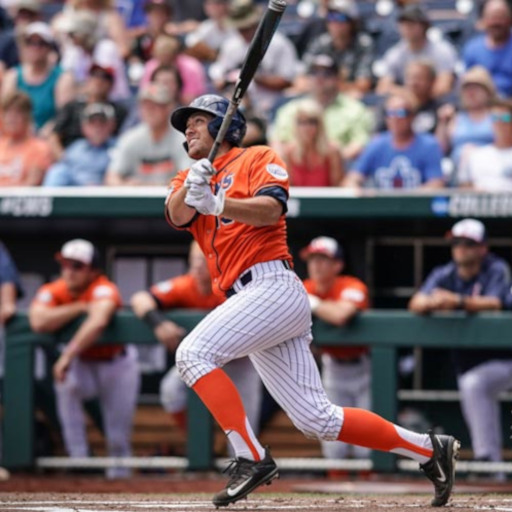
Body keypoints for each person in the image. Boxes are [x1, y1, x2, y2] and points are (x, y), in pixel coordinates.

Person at [165, 93, 460, 508]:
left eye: (198, 120)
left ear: (224, 127)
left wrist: (218, 202)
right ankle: (430, 449)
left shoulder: (257, 156)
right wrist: (195, 186)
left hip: (272, 286)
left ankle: (251, 457)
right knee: (317, 419)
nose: (189, 129)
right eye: (187, 124)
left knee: (192, 353)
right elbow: (177, 214)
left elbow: (271, 210)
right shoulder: (188, 175)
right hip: (246, 297)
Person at [28, 239, 140, 479]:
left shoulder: (103, 287)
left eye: (77, 266)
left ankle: (120, 481)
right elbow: (37, 321)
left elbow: (99, 319)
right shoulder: (55, 289)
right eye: (65, 264)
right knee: (66, 383)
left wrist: (67, 354)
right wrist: (79, 307)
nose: (69, 271)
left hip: (116, 364)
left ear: (93, 270)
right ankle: (78, 460)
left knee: (118, 434)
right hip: (84, 363)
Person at [130, 241, 262, 445]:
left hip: (240, 362)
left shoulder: (234, 286)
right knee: (171, 391)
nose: (198, 265)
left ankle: (244, 462)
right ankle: (199, 442)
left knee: (245, 424)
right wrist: (159, 323)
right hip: (203, 359)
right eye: (194, 259)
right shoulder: (185, 285)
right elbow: (139, 298)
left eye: (204, 259)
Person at [409, 219, 511, 467]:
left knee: (474, 385)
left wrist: (456, 301)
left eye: (468, 244)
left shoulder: (496, 268)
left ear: (482, 248)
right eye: (456, 243)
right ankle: (490, 464)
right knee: (474, 384)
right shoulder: (444, 273)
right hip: (472, 363)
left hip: (506, 358)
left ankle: (489, 460)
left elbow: (495, 303)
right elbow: (415, 303)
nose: (461, 248)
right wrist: (433, 303)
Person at [300, 236, 370, 462]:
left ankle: (374, 494)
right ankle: (336, 495)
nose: (316, 265)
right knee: (332, 440)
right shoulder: (304, 287)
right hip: (332, 367)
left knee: (366, 444)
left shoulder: (351, 285)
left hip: (364, 367)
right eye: (312, 259)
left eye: (323, 260)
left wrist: (314, 304)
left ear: (337, 265)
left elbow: (341, 315)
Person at [271, 53, 372, 163]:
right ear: (307, 78)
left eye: (327, 73)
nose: (320, 77)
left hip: (338, 171)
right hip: (294, 169)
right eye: (314, 73)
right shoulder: (290, 109)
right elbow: (277, 142)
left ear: (339, 79)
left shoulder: (355, 110)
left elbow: (360, 144)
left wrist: (325, 164)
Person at [209, 1, 299, 119]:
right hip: (238, 107)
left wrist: (252, 77)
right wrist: (224, 80)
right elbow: (219, 75)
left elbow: (287, 80)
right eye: (239, 28)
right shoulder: (230, 45)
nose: (243, 32)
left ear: (256, 23)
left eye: (246, 27)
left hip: (271, 106)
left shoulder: (279, 44)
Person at [343, 89, 445, 190]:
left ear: (412, 116)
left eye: (401, 113)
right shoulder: (377, 144)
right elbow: (352, 178)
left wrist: (407, 199)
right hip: (382, 206)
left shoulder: (428, 145)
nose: (395, 118)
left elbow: (436, 183)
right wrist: (357, 189)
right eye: (390, 113)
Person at [105, 83, 190, 186]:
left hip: (173, 198)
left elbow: (189, 178)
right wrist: (125, 186)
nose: (149, 111)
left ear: (168, 108)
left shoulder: (182, 140)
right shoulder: (130, 138)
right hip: (137, 200)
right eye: (145, 106)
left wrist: (147, 185)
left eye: (155, 106)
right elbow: (112, 177)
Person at [1, 22, 75, 133]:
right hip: (15, 134)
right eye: (30, 43)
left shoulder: (63, 77)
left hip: (47, 137)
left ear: (50, 47)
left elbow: (63, 116)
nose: (35, 47)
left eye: (41, 43)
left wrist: (42, 134)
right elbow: (4, 111)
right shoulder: (13, 76)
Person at [376, 4, 457, 99]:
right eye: (403, 24)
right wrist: (409, 96)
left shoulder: (442, 50)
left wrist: (418, 97)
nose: (407, 28)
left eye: (411, 24)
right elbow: (382, 88)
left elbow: (443, 87)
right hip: (407, 105)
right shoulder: (395, 54)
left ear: (424, 26)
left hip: (436, 103)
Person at [49, 64, 127, 160]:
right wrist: (64, 159)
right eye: (94, 75)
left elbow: (125, 140)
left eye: (104, 77)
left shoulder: (119, 111)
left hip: (106, 158)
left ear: (111, 84)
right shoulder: (72, 107)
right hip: (72, 157)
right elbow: (54, 136)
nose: (98, 81)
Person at [302, 0, 375, 97]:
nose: (334, 23)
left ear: (352, 23)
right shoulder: (320, 43)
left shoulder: (363, 44)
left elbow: (363, 85)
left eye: (340, 18)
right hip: (322, 96)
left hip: (349, 98)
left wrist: (325, 86)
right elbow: (301, 79)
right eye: (330, 17)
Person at [58, 8, 130, 101]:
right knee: (66, 80)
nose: (70, 38)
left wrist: (77, 91)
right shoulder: (75, 51)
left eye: (72, 34)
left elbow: (99, 84)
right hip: (87, 102)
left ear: (85, 34)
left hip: (115, 102)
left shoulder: (106, 47)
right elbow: (65, 79)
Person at [436, 66, 495, 172]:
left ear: (488, 91)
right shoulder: (455, 118)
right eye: (467, 89)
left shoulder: (498, 115)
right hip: (458, 171)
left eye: (476, 88)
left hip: (490, 170)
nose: (471, 93)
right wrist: (443, 122)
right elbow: (440, 149)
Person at [43, 103, 116, 187]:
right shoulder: (75, 149)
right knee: (57, 171)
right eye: (92, 123)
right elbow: (65, 171)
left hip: (107, 193)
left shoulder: (119, 148)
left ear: (111, 125)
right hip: (77, 193)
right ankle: (51, 199)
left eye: (102, 122)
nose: (97, 128)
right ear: (84, 127)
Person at [281, 98, 344, 187]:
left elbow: (337, 187)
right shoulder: (288, 152)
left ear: (320, 125)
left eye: (312, 122)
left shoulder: (332, 151)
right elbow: (288, 188)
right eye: (302, 122)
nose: (307, 127)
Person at [457, 98, 512, 190]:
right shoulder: (475, 155)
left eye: (505, 118)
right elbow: (464, 187)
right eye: (494, 118)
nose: (499, 122)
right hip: (481, 203)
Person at [374, 60, 441, 135]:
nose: (414, 83)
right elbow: (378, 135)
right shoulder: (391, 107)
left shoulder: (439, 109)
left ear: (432, 81)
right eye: (410, 78)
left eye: (419, 78)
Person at [0, 91, 53, 186]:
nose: (11, 118)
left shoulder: (39, 148)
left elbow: (31, 185)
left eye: (17, 113)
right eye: (7, 113)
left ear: (27, 117)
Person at [462, 0, 512, 98]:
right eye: (492, 17)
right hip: (481, 106)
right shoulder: (472, 49)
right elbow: (466, 84)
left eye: (500, 17)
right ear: (483, 20)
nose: (496, 22)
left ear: (509, 19)